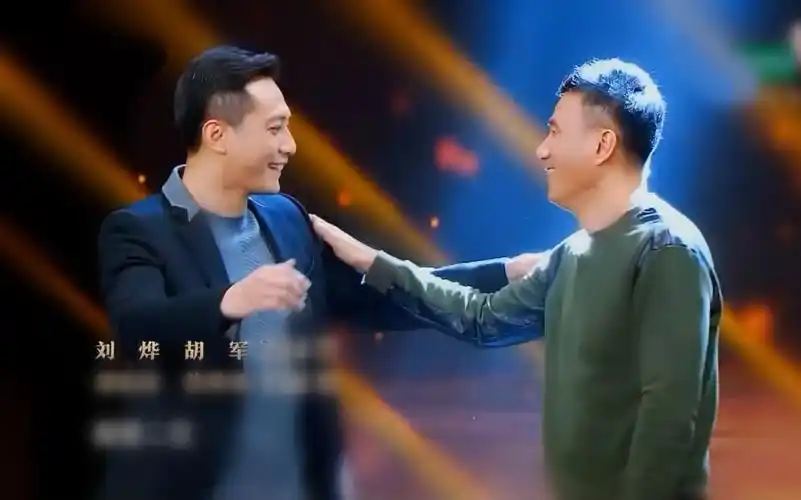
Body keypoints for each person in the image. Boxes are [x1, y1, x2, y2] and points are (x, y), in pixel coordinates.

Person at [96, 45, 540, 500]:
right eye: (275, 129)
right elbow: (138, 325)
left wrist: (502, 274)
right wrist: (231, 301)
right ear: (217, 134)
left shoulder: (286, 219)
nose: (289, 145)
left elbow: (374, 298)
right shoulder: (138, 230)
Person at [311, 58, 722, 500]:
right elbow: (482, 318)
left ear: (603, 145)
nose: (542, 151)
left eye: (555, 132)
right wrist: (373, 262)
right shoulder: (572, 253)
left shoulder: (666, 250)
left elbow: (669, 420)